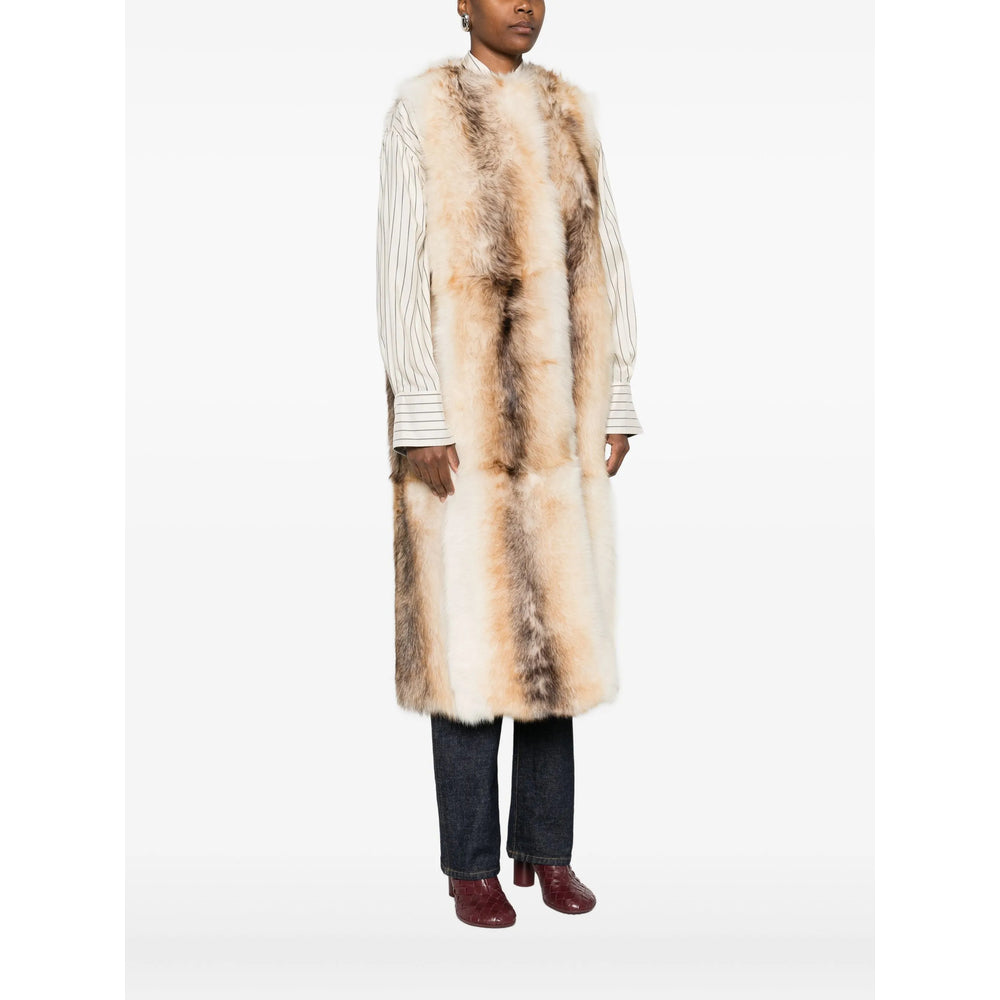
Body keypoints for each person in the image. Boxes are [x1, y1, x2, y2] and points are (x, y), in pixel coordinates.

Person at [375, 0, 643, 929]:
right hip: (463, 429)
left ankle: (546, 849)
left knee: (556, 644)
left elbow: (604, 262)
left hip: (559, 431)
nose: (524, 4)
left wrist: (614, 396)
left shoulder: (571, 111)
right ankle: (470, 865)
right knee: (466, 649)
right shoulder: (423, 109)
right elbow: (399, 269)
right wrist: (421, 409)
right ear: (462, 3)